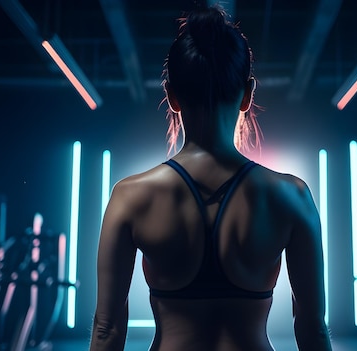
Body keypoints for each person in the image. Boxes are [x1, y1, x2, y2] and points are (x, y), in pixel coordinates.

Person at [90, 5, 332, 351]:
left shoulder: (131, 198)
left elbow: (107, 330)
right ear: (248, 94)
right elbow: (312, 331)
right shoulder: (291, 196)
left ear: (171, 96)